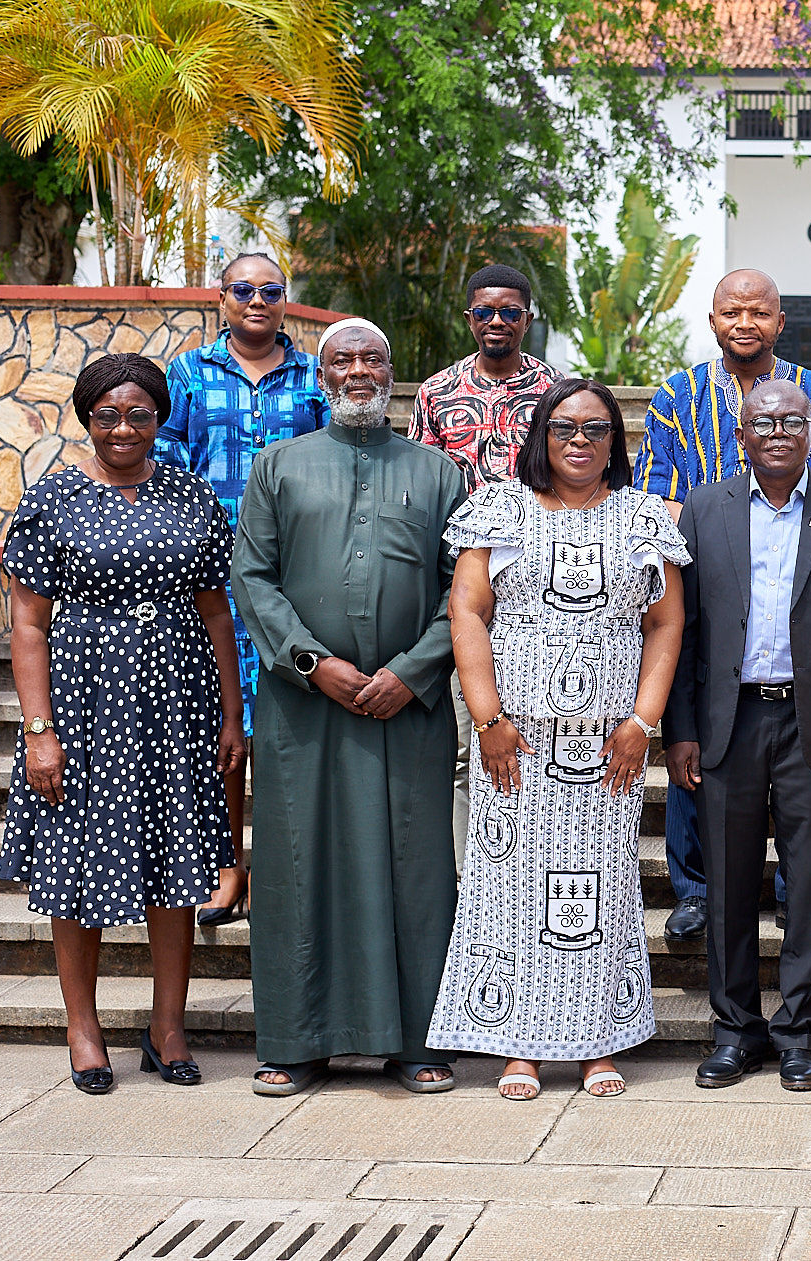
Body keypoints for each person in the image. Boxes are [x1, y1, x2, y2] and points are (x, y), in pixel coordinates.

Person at [425, 379, 688, 1100]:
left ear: (615, 441)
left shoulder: (644, 517)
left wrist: (642, 724)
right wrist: (488, 720)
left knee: (599, 893)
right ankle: (520, 1047)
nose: (579, 439)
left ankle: (597, 1043)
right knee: (508, 890)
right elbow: (468, 613)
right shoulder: (498, 509)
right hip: (516, 746)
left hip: (607, 750)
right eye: (565, 426)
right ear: (540, 433)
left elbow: (665, 623)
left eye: (596, 428)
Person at [232, 318, 469, 1096]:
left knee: (418, 870)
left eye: (373, 357)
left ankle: (420, 1040)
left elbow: (465, 591)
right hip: (304, 711)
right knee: (299, 867)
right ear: (321, 374)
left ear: (392, 373)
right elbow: (252, 577)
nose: (359, 369)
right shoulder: (277, 466)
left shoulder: (439, 473)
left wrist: (411, 671)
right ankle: (296, 1041)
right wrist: (313, 663)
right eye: (343, 359)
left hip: (410, 709)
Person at [0, 354, 244, 1094]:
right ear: (87, 418)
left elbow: (215, 611)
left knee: (177, 866)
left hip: (178, 702)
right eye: (108, 415)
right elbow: (28, 624)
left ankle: (168, 1027)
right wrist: (39, 730)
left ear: (160, 418)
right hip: (84, 702)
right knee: (77, 867)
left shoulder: (192, 494)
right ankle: (84, 1029)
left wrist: (232, 714)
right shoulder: (52, 500)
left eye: (139, 414)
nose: (124, 428)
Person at [665, 381, 811, 1092]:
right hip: (727, 720)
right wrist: (681, 729)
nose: (780, 431)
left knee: (810, 885)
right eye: (765, 422)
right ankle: (735, 1030)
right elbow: (683, 629)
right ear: (742, 436)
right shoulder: (705, 509)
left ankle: (798, 1032)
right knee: (728, 883)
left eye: (793, 420)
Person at [636, 268, 811, 942]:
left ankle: (795, 892)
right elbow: (657, 494)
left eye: (758, 312)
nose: (744, 323)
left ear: (779, 322)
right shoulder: (677, 396)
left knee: (802, 771)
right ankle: (697, 891)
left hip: (801, 587)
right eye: (731, 312)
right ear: (712, 320)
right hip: (703, 584)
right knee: (697, 748)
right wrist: (712, 540)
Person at [156, 251, 326, 926]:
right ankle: (228, 868)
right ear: (221, 297)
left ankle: (282, 873)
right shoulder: (187, 373)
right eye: (244, 289)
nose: (258, 300)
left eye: (271, 290)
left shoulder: (316, 375)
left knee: (288, 728)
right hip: (211, 581)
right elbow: (166, 463)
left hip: (296, 579)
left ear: (286, 300)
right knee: (222, 728)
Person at [407, 263, 561, 878]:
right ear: (469, 317)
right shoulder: (436, 393)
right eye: (485, 311)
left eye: (510, 311)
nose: (497, 321)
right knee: (465, 740)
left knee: (538, 736)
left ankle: (533, 872)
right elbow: (421, 489)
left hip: (538, 586)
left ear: (528, 318)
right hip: (458, 583)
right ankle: (471, 883)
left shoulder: (555, 391)